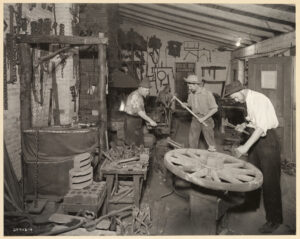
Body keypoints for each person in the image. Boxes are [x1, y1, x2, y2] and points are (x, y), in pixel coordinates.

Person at [224, 80, 282, 234]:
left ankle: (274, 220)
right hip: (256, 139)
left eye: (235, 97)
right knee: (252, 174)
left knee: (270, 181)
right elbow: (254, 121)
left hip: (268, 141)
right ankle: (251, 204)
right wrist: (244, 125)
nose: (235, 100)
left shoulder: (259, 100)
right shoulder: (248, 100)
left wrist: (245, 147)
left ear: (241, 90)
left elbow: (262, 128)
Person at [183, 75, 218, 151]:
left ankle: (212, 158)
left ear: (196, 85)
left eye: (190, 86)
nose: (189, 88)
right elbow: (189, 105)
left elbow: (215, 109)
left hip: (206, 119)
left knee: (210, 143)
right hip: (195, 118)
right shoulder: (191, 94)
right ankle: (193, 157)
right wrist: (185, 105)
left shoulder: (207, 94)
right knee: (192, 141)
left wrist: (203, 118)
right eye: (188, 86)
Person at [124, 77, 157, 146]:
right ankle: (132, 155)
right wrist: (150, 120)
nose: (148, 93)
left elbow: (142, 110)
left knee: (139, 141)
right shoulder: (135, 96)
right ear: (141, 88)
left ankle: (139, 155)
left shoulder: (140, 96)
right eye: (146, 91)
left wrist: (147, 122)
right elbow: (140, 112)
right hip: (131, 121)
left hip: (137, 120)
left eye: (148, 91)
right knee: (132, 143)